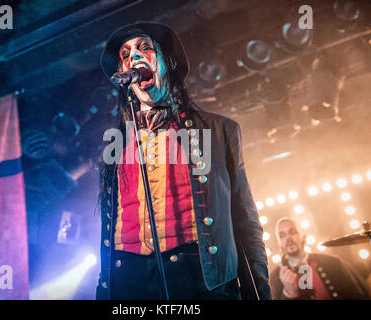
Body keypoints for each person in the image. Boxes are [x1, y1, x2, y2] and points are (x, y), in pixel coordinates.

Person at [96, 22, 271, 300]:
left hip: (197, 276)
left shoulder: (217, 131)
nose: (134, 58)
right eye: (126, 55)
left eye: (144, 48)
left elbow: (244, 219)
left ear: (168, 63)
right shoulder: (116, 145)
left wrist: (259, 292)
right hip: (129, 279)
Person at [270, 217, 371, 300]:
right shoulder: (274, 277)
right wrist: (288, 294)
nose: (288, 239)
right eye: (282, 235)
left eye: (292, 232)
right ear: (279, 243)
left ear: (303, 236)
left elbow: (356, 296)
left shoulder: (332, 263)